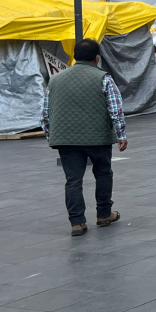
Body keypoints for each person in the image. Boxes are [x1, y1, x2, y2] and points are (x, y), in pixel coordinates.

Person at [41, 38, 127, 237]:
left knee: (73, 181)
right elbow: (115, 110)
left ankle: (77, 222)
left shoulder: (55, 79)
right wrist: (121, 134)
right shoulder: (104, 78)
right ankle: (104, 214)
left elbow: (45, 114)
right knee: (103, 174)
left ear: (74, 56)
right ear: (97, 58)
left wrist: (51, 136)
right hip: (98, 138)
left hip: (66, 140)